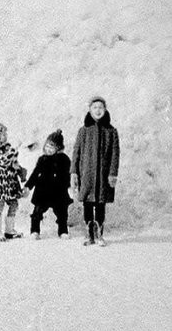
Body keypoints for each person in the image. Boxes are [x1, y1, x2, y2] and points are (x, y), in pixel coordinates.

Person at [71, 96, 120, 247]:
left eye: (100, 107)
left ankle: (99, 234)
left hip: (103, 175)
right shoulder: (83, 131)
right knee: (87, 203)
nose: (98, 110)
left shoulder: (111, 131)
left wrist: (112, 173)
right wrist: (74, 172)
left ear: (105, 110)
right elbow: (76, 152)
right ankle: (88, 234)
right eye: (95, 107)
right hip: (86, 174)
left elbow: (115, 154)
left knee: (100, 204)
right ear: (90, 110)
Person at [24, 129, 73, 239]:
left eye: (52, 147)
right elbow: (35, 174)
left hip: (59, 191)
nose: (48, 149)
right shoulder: (42, 159)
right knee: (37, 211)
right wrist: (28, 186)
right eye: (47, 146)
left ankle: (63, 231)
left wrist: (69, 187)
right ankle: (35, 231)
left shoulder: (64, 160)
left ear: (58, 148)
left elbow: (67, 175)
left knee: (62, 213)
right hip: (43, 191)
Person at [0, 123, 27, 241]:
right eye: (4, 134)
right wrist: (14, 149)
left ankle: (9, 230)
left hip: (9, 183)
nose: (6, 135)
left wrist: (19, 169)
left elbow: (13, 161)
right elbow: (2, 161)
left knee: (14, 204)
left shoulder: (7, 147)